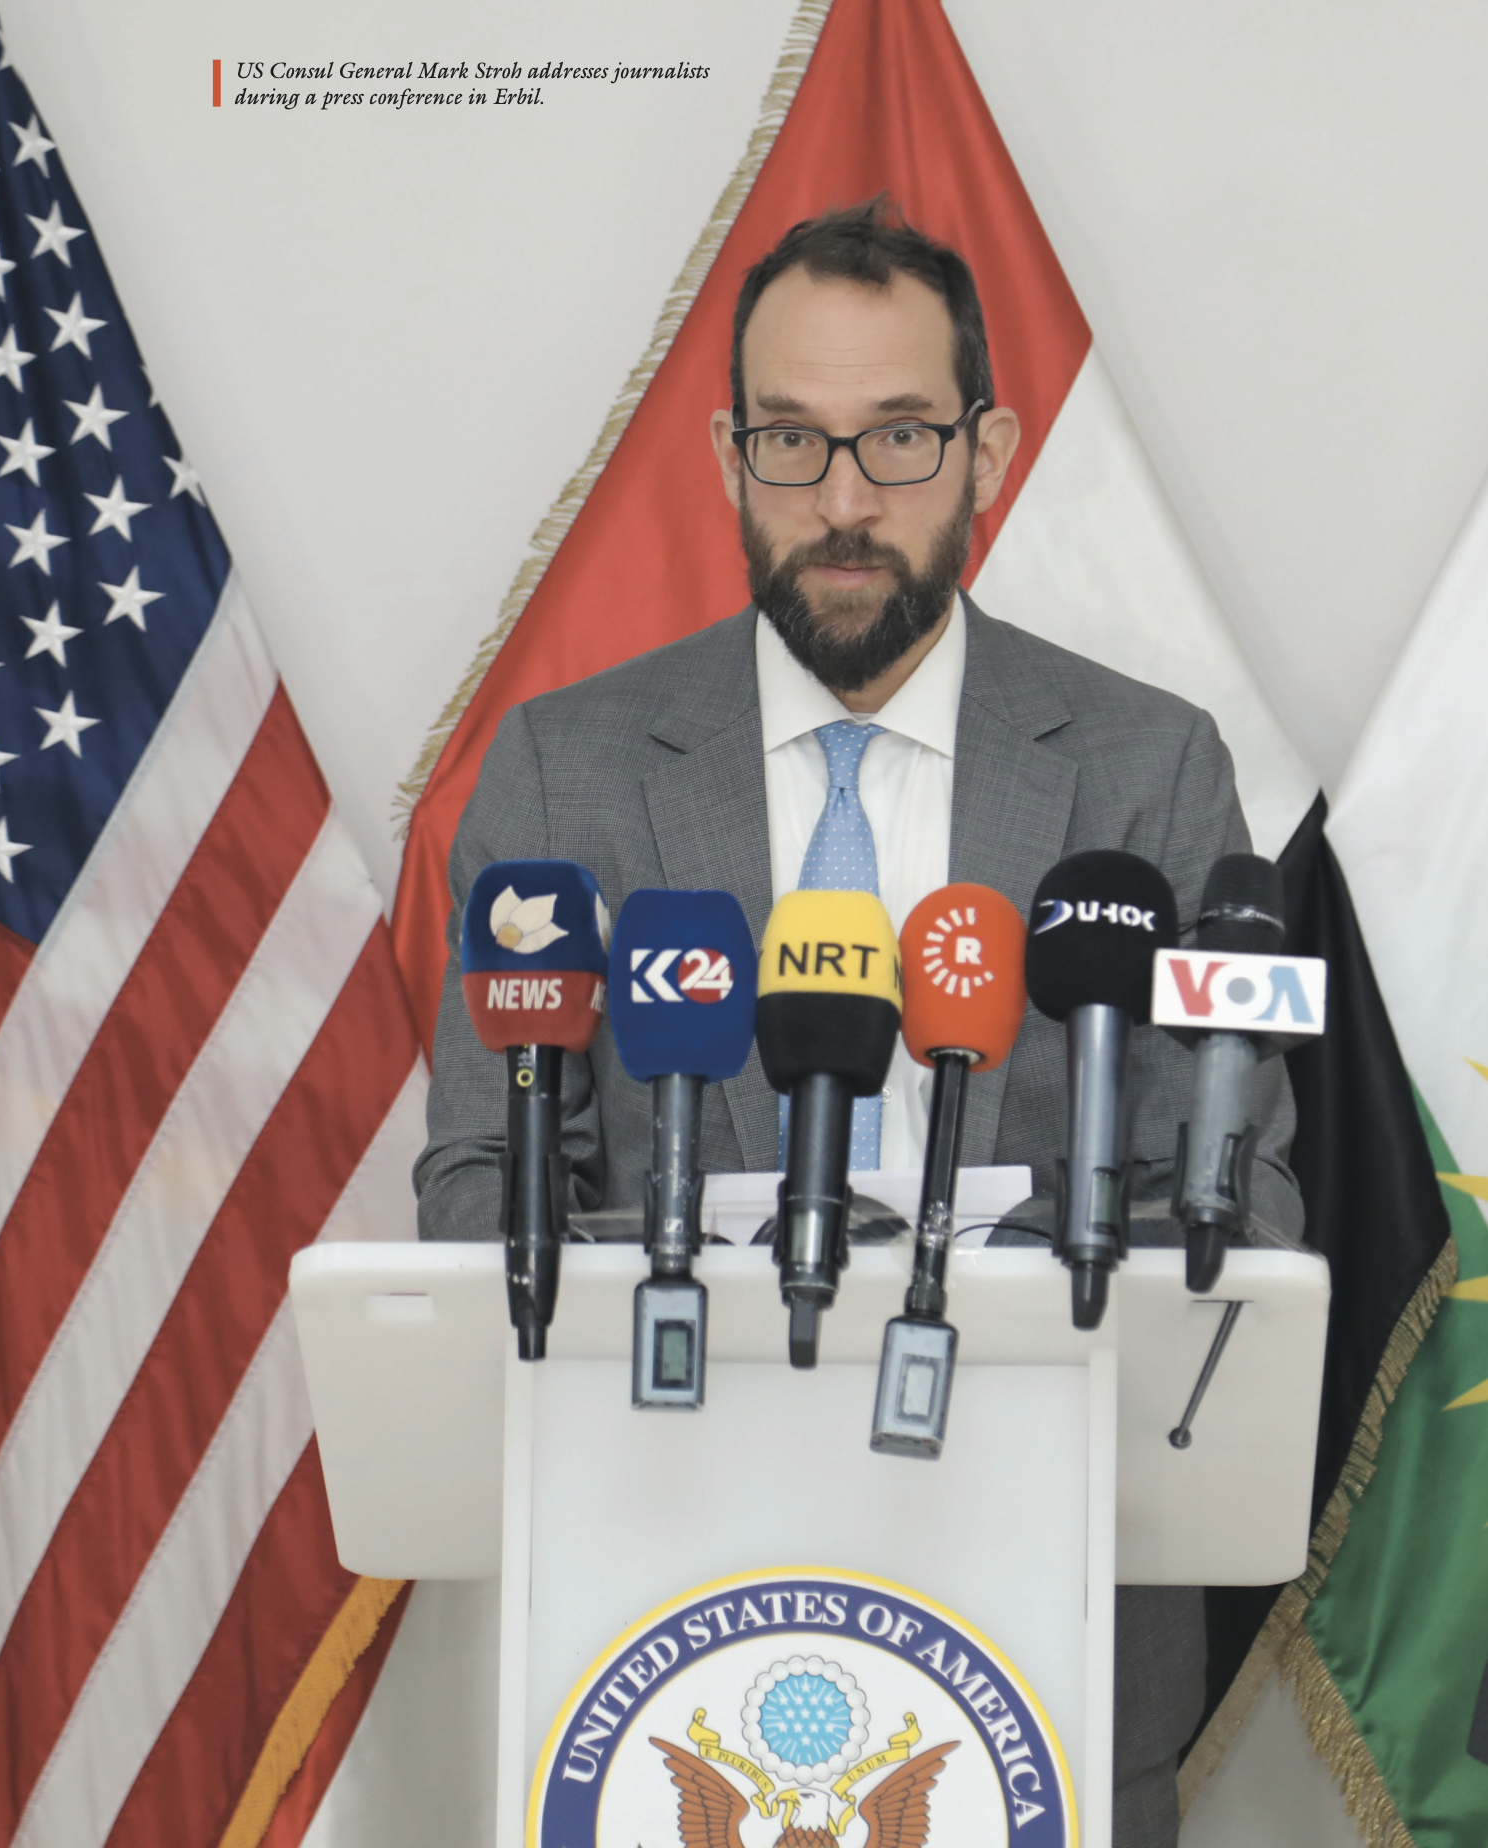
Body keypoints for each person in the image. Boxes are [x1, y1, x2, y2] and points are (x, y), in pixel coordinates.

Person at [415, 197, 1302, 1846]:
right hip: (662, 1601)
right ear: (726, 457)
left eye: (898, 438)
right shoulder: (562, 772)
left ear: (987, 452)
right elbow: (482, 1183)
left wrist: (980, 1277)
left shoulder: (1148, 769)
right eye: (789, 441)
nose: (840, 503)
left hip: (1055, 1628)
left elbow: (1233, 1198)